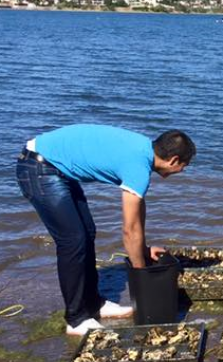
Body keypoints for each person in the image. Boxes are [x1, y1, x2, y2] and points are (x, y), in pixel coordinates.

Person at [16, 124, 195, 335]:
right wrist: (142, 273)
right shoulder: (138, 165)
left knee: (86, 233)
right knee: (73, 240)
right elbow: (129, 229)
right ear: (173, 160)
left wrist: (144, 249)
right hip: (39, 167)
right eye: (184, 165)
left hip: (55, 168)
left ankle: (93, 304)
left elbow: (137, 212)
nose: (182, 171)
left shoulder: (143, 152)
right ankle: (76, 319)